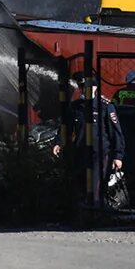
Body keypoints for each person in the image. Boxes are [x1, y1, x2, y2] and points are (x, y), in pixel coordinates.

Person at [52, 73, 125, 206]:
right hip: (81, 152)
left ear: (95, 88)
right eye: (81, 87)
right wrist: (58, 143)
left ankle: (95, 215)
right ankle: (83, 216)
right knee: (80, 184)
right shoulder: (76, 108)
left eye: (86, 87)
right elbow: (66, 127)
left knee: (95, 186)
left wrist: (118, 156)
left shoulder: (105, 107)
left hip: (100, 153)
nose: (83, 90)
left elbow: (116, 133)